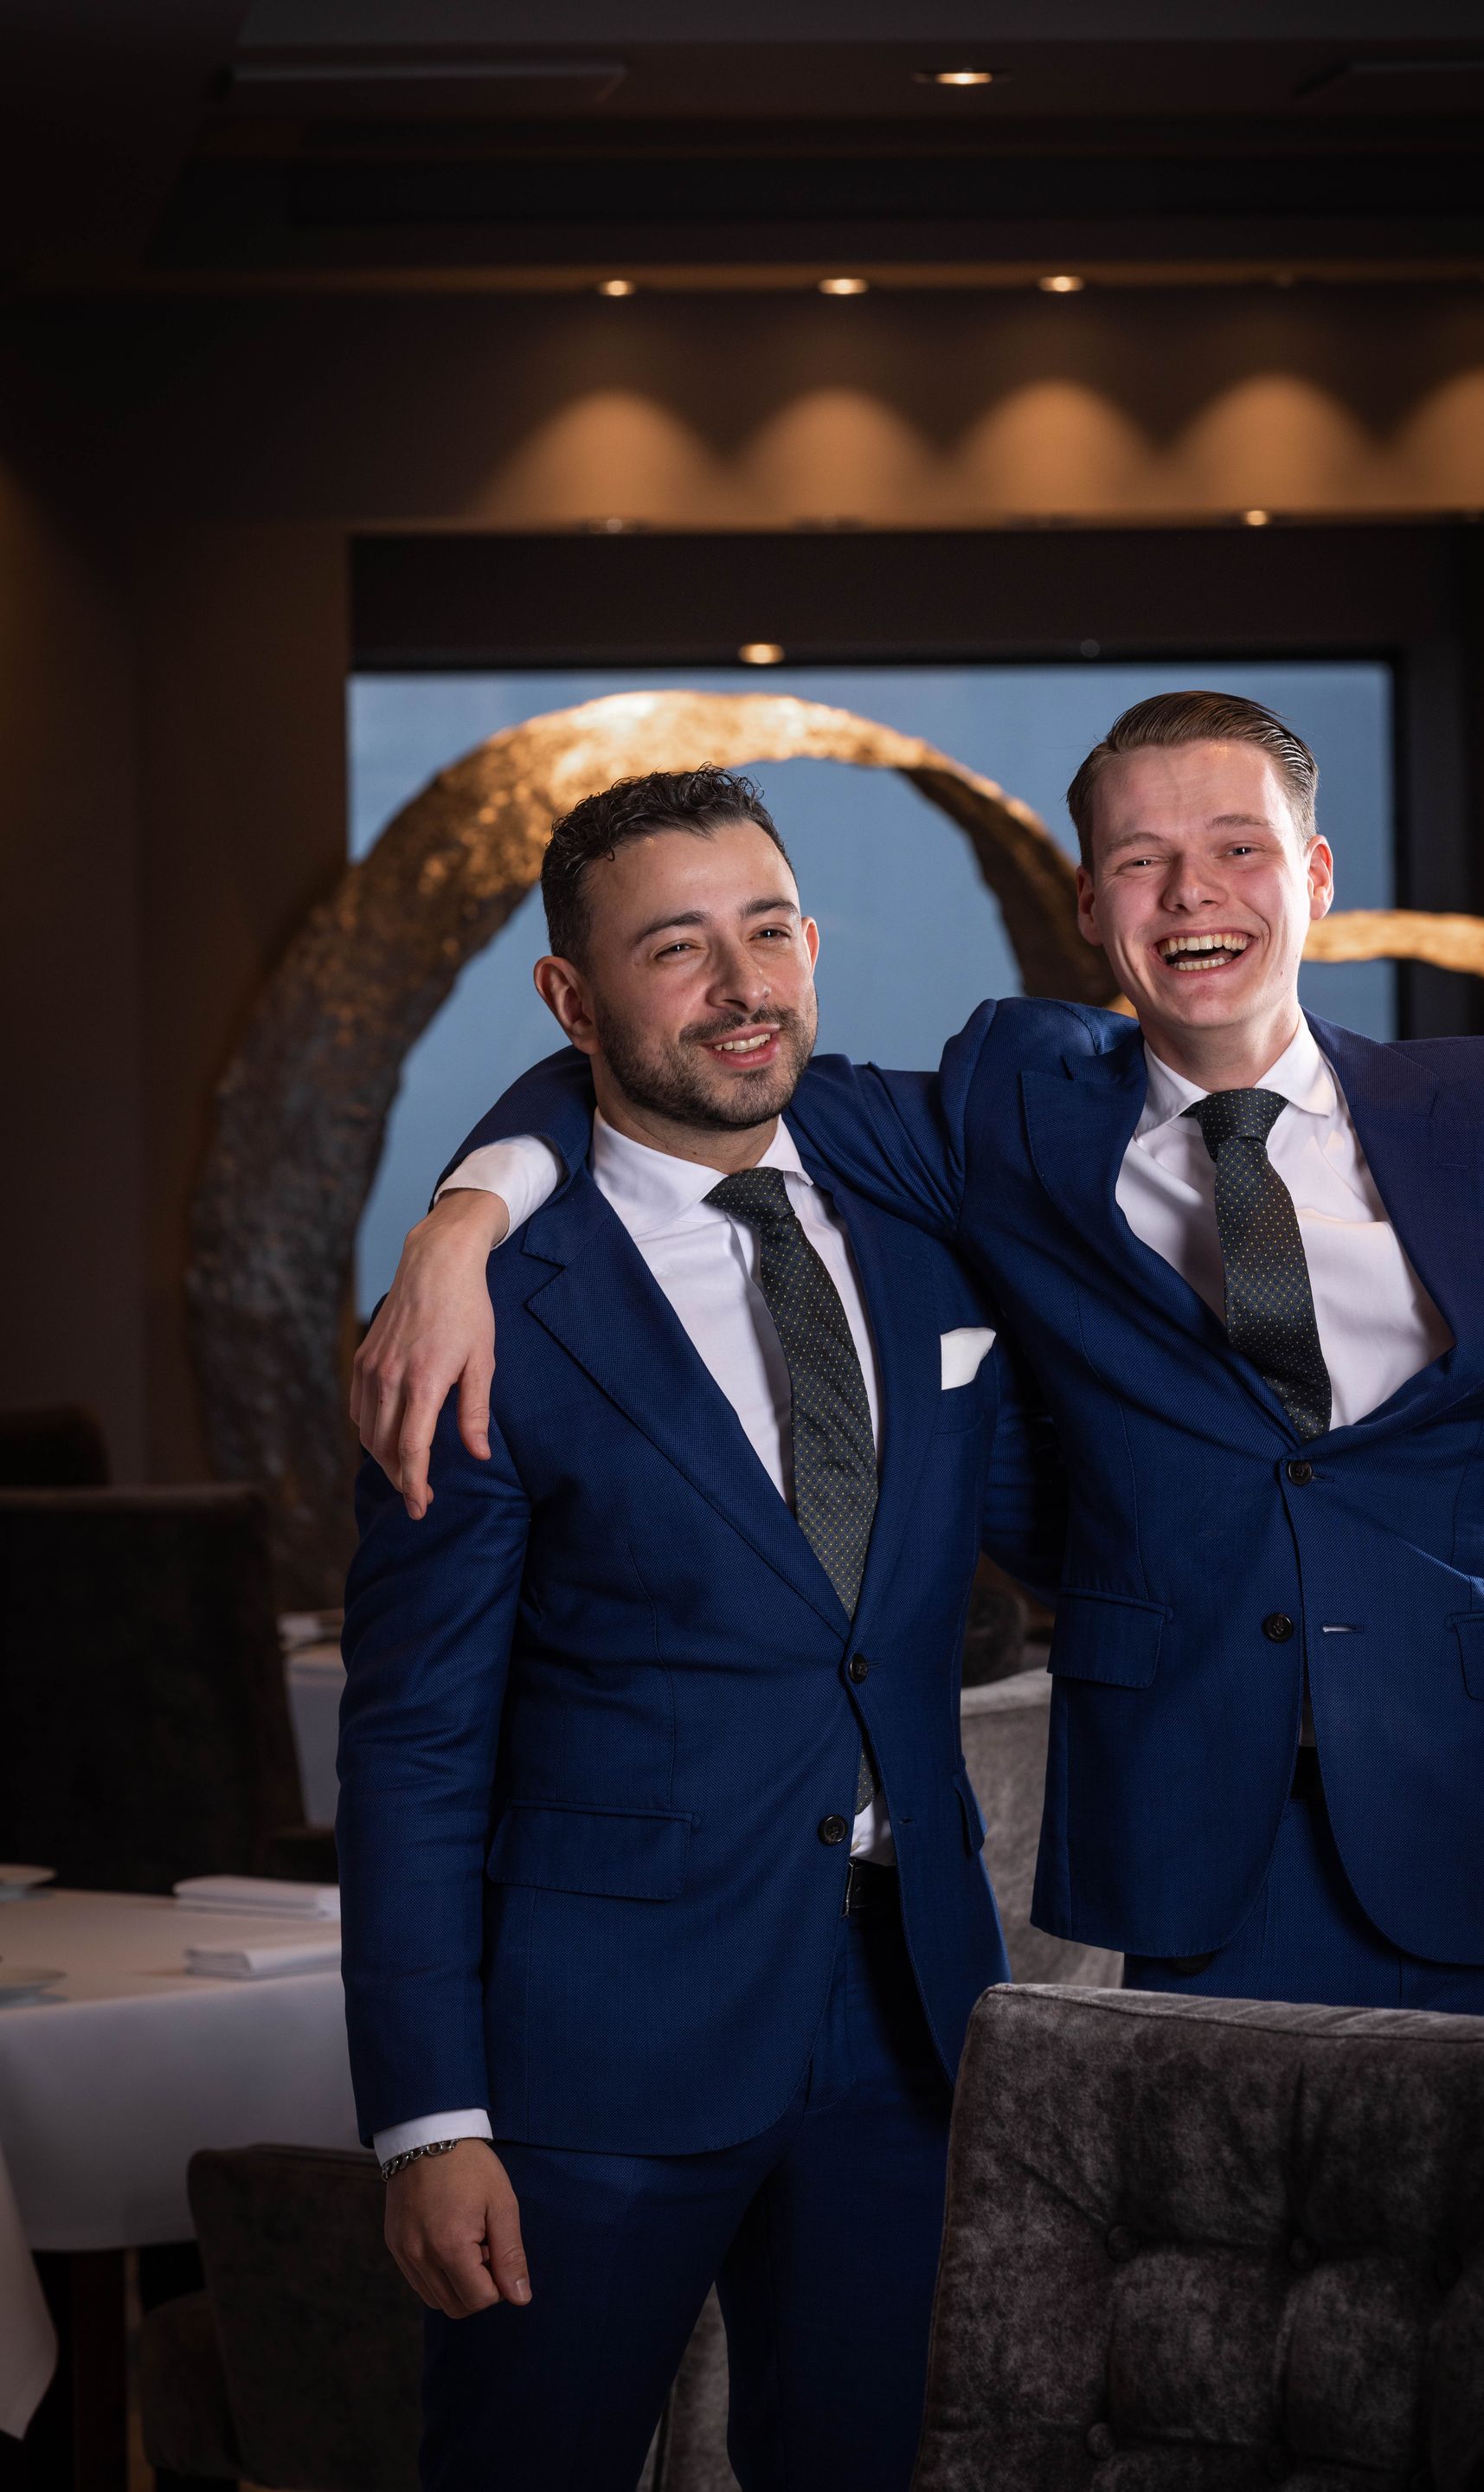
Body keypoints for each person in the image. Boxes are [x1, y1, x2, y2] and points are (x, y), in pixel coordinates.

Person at [358, 694, 1484, 2031]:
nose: (1192, 892)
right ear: (1091, 903)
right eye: (1142, 859)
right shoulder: (1010, 1110)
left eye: (1239, 848)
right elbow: (670, 1068)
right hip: (1204, 1847)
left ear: (1316, 875)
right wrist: (469, 1218)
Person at [338, 768, 1065, 2492]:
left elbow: (1085, 1512)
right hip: (597, 2050)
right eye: (678, 948)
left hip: (907, 2017)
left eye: (769, 930)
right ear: (571, 1003)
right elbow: (415, 1745)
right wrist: (430, 2123)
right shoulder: (488, 1313)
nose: (744, 985)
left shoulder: (928, 1219)